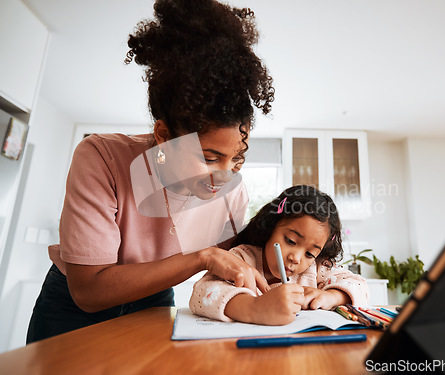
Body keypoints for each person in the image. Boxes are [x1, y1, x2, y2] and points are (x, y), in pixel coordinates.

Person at [27, 0, 274, 343]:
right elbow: (89, 290)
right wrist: (202, 257)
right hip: (72, 309)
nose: (225, 175)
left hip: (155, 301)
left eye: (237, 159)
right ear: (163, 136)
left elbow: (233, 267)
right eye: (209, 157)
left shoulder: (233, 193)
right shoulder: (102, 158)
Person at [190, 185, 370, 325]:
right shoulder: (243, 258)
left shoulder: (316, 269)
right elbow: (202, 293)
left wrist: (331, 296)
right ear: (271, 227)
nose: (296, 258)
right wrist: (255, 308)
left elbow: (360, 287)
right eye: (290, 241)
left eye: (309, 253)